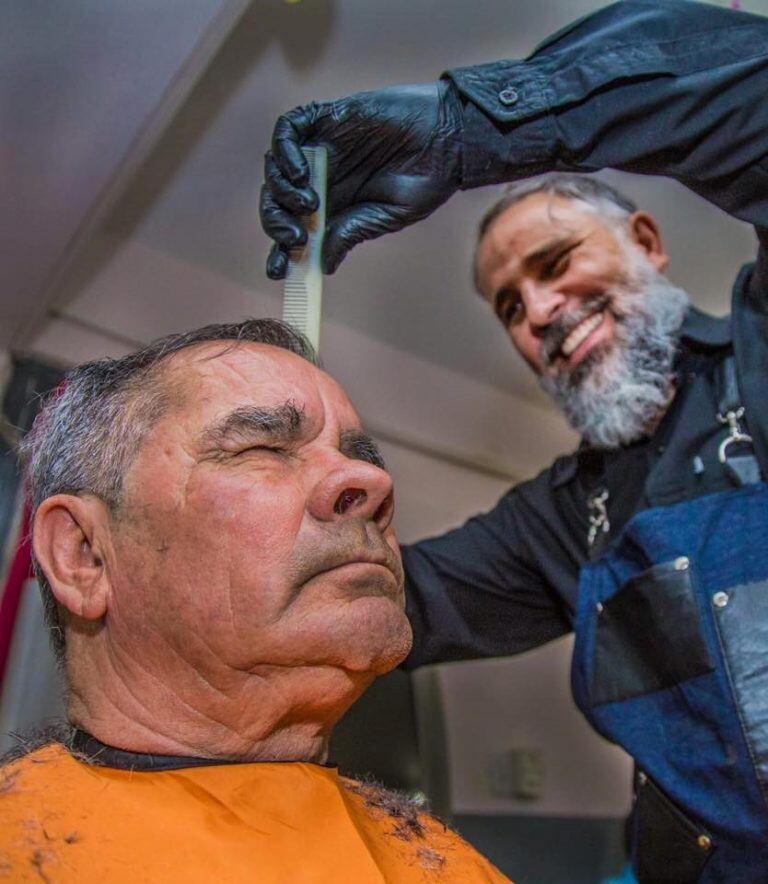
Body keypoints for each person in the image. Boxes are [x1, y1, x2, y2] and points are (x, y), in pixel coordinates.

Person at [259, 1, 768, 881]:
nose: (537, 314)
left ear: (647, 242)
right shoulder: (571, 519)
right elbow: (389, 605)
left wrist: (471, 132)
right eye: (508, 307)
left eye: (553, 262)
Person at [0, 319, 507, 883]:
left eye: (361, 456)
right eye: (264, 446)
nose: (372, 481)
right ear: (85, 554)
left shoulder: (450, 866)